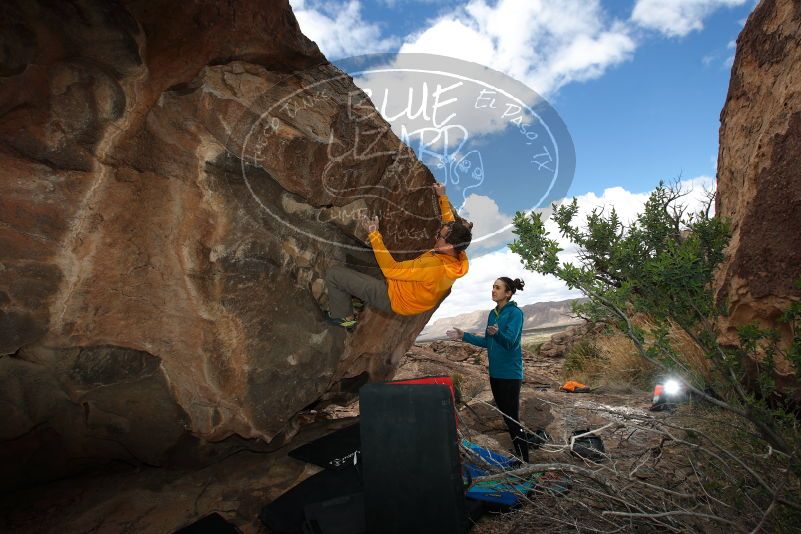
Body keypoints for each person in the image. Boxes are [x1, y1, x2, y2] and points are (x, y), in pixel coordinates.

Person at [325, 183, 472, 329]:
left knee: (334, 275)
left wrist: (374, 234)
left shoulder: (434, 267)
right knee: (364, 257)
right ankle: (357, 295)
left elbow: (391, 270)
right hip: (412, 292)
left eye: (440, 236)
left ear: (449, 246)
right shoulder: (458, 253)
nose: (436, 236)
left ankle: (344, 319)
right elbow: (450, 223)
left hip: (397, 299)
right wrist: (442, 196)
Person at [447, 277, 528, 462]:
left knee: (512, 418)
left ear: (508, 293)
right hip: (495, 374)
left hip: (510, 374)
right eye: (493, 287)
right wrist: (463, 336)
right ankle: (520, 454)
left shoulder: (515, 313)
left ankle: (524, 460)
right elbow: (486, 341)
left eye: (498, 288)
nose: (493, 290)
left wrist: (497, 334)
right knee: (506, 416)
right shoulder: (493, 314)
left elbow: (510, 342)